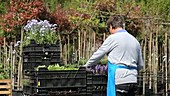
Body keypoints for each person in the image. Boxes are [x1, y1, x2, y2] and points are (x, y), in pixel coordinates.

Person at [83, 15, 144, 96]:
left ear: (111, 26)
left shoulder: (113, 38)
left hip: (119, 80)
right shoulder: (135, 41)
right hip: (133, 80)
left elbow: (99, 54)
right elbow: (140, 65)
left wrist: (87, 65)